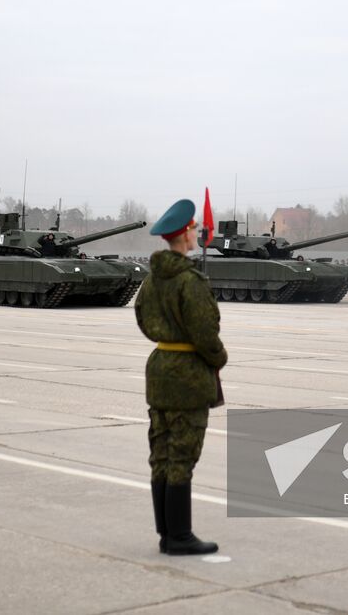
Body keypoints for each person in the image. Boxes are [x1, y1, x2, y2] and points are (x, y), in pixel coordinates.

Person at [134, 198, 227, 556]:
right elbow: (205, 332)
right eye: (194, 230)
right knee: (183, 454)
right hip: (188, 374)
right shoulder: (189, 281)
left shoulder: (152, 280)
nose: (197, 234)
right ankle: (181, 536)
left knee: (161, 452)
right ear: (185, 234)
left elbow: (143, 318)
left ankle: (166, 533)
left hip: (160, 368)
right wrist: (219, 356)